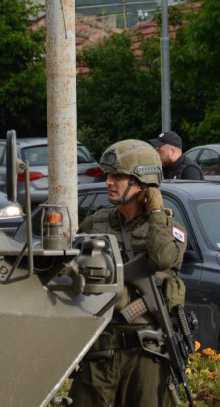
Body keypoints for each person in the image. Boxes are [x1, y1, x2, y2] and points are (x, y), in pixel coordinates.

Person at [70, 139, 188, 407]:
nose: (109, 182)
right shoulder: (96, 222)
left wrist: (156, 211)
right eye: (109, 175)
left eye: (119, 176)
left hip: (146, 352)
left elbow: (163, 259)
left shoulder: (168, 228)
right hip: (101, 347)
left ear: (142, 182)